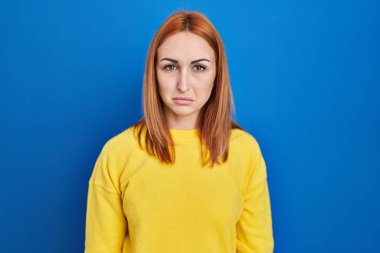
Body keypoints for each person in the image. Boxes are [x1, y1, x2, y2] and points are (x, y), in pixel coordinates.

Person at [84, 10, 274, 253]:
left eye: (199, 68)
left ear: (217, 75)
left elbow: (256, 248)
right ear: (154, 73)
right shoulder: (117, 154)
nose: (183, 84)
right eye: (170, 67)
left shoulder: (244, 152)